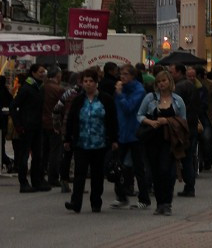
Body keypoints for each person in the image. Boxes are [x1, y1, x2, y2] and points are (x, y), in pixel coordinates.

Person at [64, 68, 119, 213]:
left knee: (97, 174)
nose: (88, 84)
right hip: (81, 142)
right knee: (79, 174)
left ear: (96, 83)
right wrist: (68, 138)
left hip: (99, 143)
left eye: (91, 81)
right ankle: (75, 202)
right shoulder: (78, 100)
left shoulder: (105, 99)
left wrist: (114, 139)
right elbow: (71, 120)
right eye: (85, 81)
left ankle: (96, 201)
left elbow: (112, 120)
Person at [137, 68, 188, 216]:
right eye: (158, 82)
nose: (161, 84)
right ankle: (160, 203)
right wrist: (149, 122)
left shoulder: (178, 100)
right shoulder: (150, 98)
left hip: (169, 140)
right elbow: (139, 115)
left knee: (167, 170)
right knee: (155, 171)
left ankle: (167, 202)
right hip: (152, 138)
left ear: (170, 81)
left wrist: (168, 120)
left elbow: (183, 120)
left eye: (164, 81)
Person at [111, 63, 151, 208]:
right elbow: (116, 111)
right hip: (122, 133)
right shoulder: (120, 89)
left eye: (126, 74)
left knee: (138, 167)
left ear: (133, 76)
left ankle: (144, 198)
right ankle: (121, 196)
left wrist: (120, 95)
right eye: (121, 74)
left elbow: (128, 108)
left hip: (135, 133)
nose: (122, 77)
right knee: (118, 167)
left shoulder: (139, 90)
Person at [10, 63, 50, 193]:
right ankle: (23, 182)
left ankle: (36, 181)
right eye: (40, 72)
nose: (43, 74)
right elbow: (14, 106)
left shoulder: (39, 87)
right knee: (24, 155)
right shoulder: (27, 88)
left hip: (37, 126)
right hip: (26, 127)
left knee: (38, 155)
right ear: (33, 73)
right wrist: (18, 125)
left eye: (44, 72)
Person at [170, 62, 202, 198]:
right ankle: (190, 185)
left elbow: (175, 107)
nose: (171, 75)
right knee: (189, 156)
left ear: (179, 72)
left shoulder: (179, 87)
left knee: (182, 156)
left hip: (183, 126)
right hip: (192, 124)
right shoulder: (191, 85)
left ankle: (188, 185)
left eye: (172, 72)